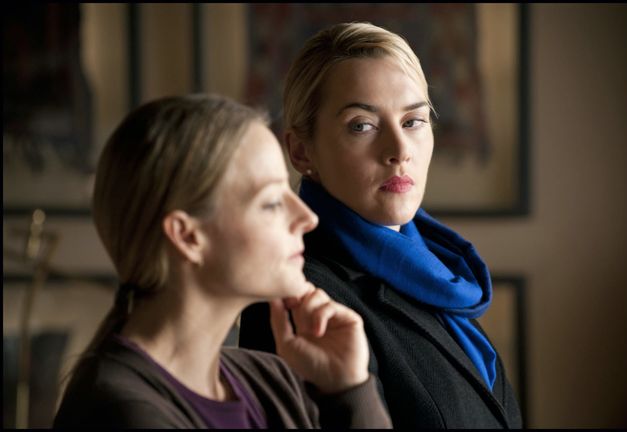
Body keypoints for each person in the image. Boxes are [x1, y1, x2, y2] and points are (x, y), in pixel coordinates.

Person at [239, 22, 523, 429]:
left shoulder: (436, 271)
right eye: (362, 125)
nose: (399, 150)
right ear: (301, 152)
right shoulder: (294, 298)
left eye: (413, 121)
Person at [53, 94, 392, 428]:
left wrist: (347, 388)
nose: (307, 218)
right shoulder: (120, 412)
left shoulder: (272, 380)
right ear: (187, 237)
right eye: (272, 203)